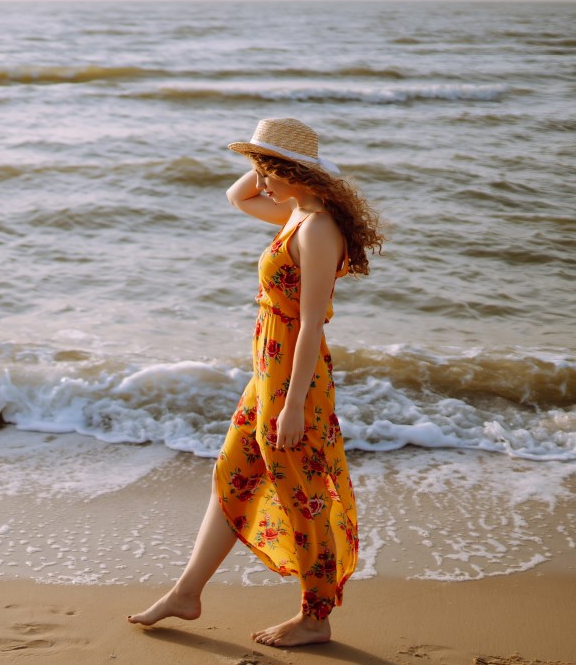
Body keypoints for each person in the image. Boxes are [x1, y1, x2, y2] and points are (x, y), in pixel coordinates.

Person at [128, 117, 384, 648]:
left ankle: (316, 616)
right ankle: (186, 592)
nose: (260, 183)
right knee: (234, 476)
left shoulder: (316, 228)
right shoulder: (296, 213)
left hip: (294, 383)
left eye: (269, 172)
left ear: (294, 173)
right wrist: (261, 158)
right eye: (262, 170)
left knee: (302, 497)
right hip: (268, 378)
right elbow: (236, 195)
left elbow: (312, 323)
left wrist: (292, 406)